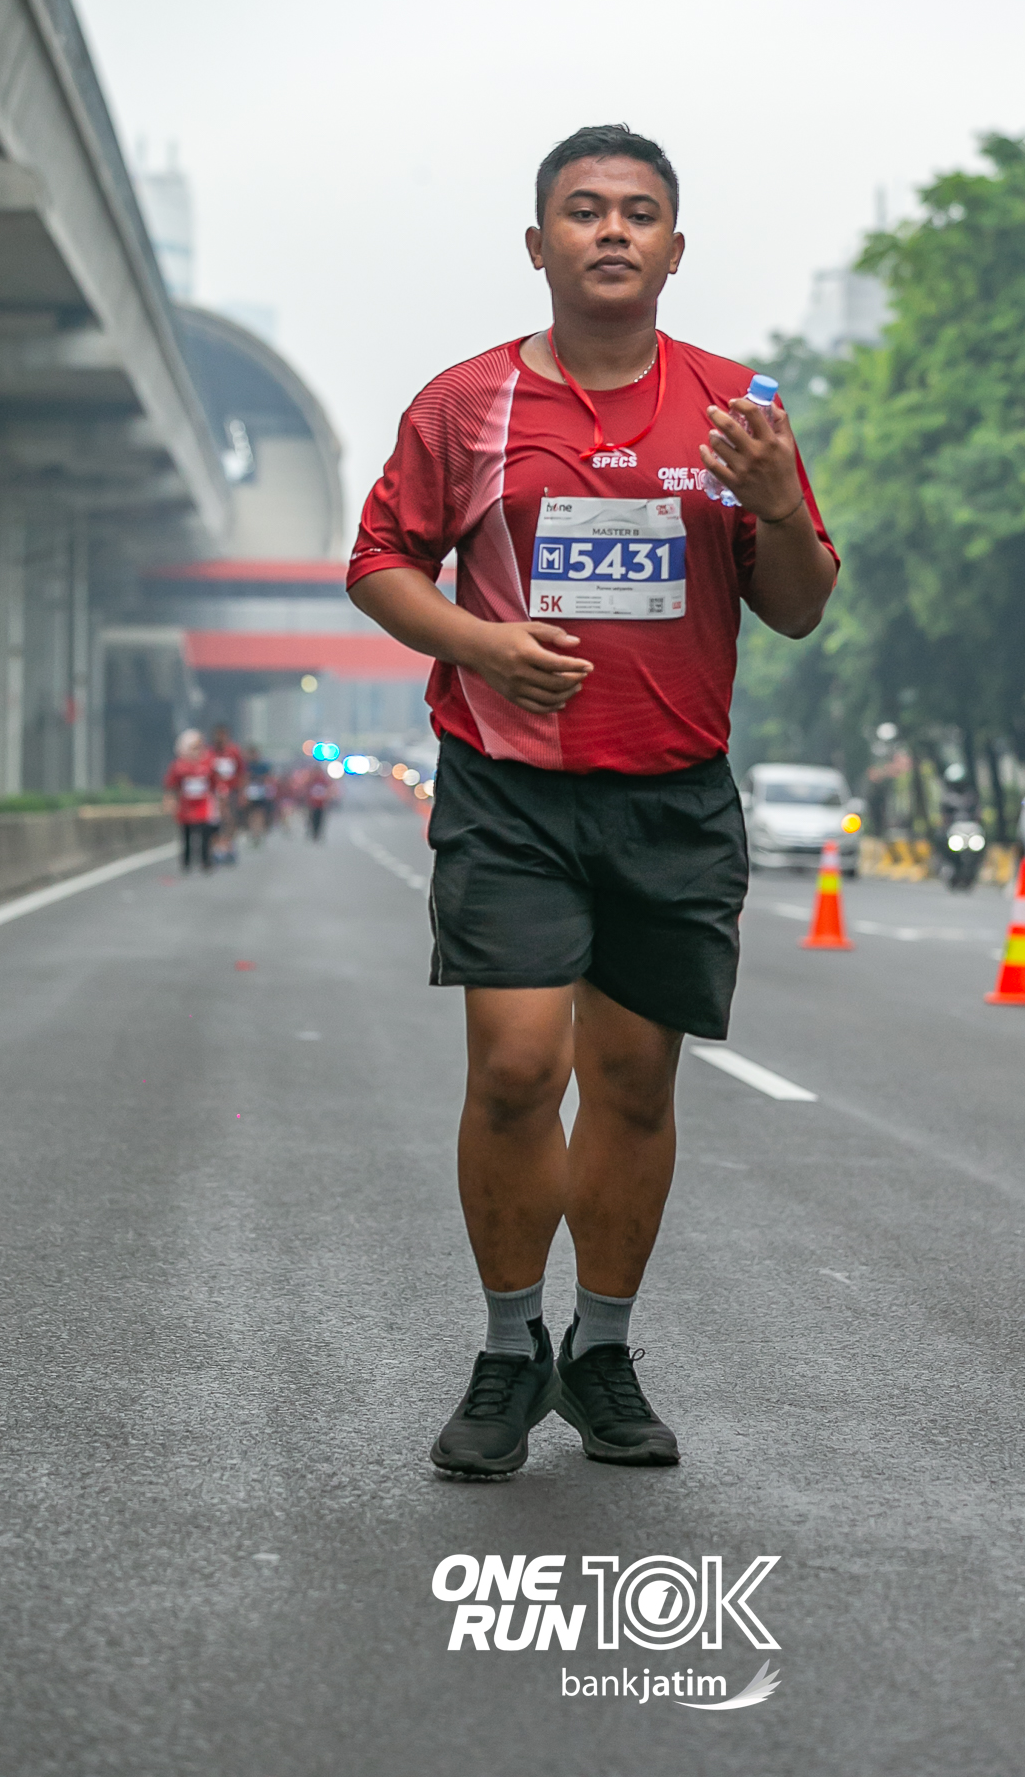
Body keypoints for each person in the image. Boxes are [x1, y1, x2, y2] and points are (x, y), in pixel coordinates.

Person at [348, 123, 838, 1476]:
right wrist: (481, 644)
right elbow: (379, 561)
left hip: (671, 799)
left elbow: (797, 606)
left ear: (674, 250)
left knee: (632, 1079)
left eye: (637, 212)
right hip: (509, 792)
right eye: (583, 210)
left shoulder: (737, 410)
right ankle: (509, 1351)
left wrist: (775, 504)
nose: (611, 230)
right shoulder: (465, 406)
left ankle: (601, 1353)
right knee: (517, 1067)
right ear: (538, 244)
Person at [162, 729, 218, 872]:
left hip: (203, 805)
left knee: (205, 835)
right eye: (193, 747)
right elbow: (171, 785)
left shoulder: (209, 762)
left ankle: (206, 861)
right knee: (186, 836)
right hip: (186, 806)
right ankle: (186, 862)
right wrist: (170, 801)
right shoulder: (179, 765)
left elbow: (214, 782)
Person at [209, 724, 245, 864]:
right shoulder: (210, 753)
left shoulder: (234, 752)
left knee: (230, 819)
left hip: (231, 792)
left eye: (223, 735)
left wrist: (242, 793)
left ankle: (229, 846)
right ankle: (217, 848)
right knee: (214, 821)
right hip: (214, 793)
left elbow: (242, 773)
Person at [243, 745, 277, 844]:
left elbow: (268, 778)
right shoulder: (246, 766)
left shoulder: (263, 766)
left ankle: (258, 832)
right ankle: (253, 832)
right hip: (249, 793)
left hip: (261, 793)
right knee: (251, 814)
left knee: (260, 813)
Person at [304, 761, 334, 840]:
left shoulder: (323, 780)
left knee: (319, 819)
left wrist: (328, 798)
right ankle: (312, 833)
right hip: (313, 803)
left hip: (321, 804)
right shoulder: (311, 779)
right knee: (312, 819)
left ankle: (317, 834)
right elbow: (307, 789)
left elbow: (328, 789)